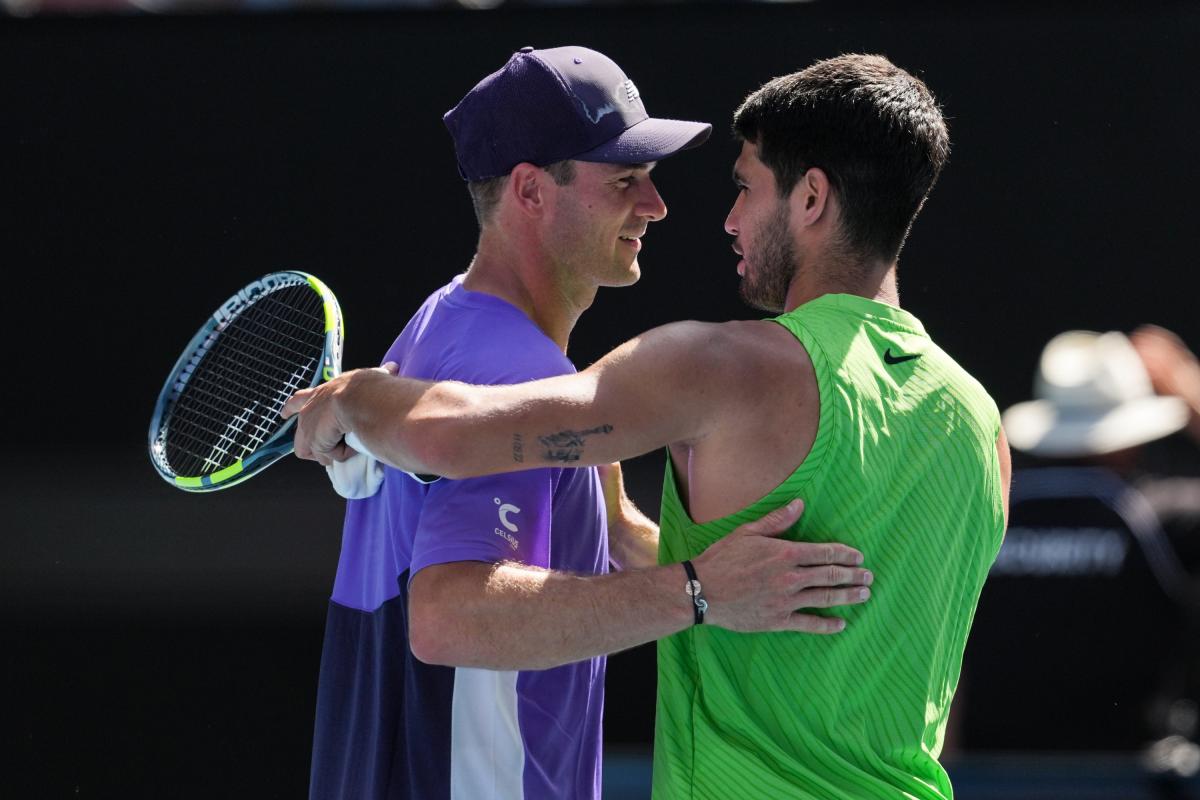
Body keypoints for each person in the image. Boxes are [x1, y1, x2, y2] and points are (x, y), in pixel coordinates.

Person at [287, 53, 1011, 799]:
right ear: (531, 191)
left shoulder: (718, 366)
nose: (688, 211)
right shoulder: (981, 424)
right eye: (627, 178)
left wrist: (356, 398)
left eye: (744, 188)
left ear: (812, 198)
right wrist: (685, 578)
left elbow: (450, 439)